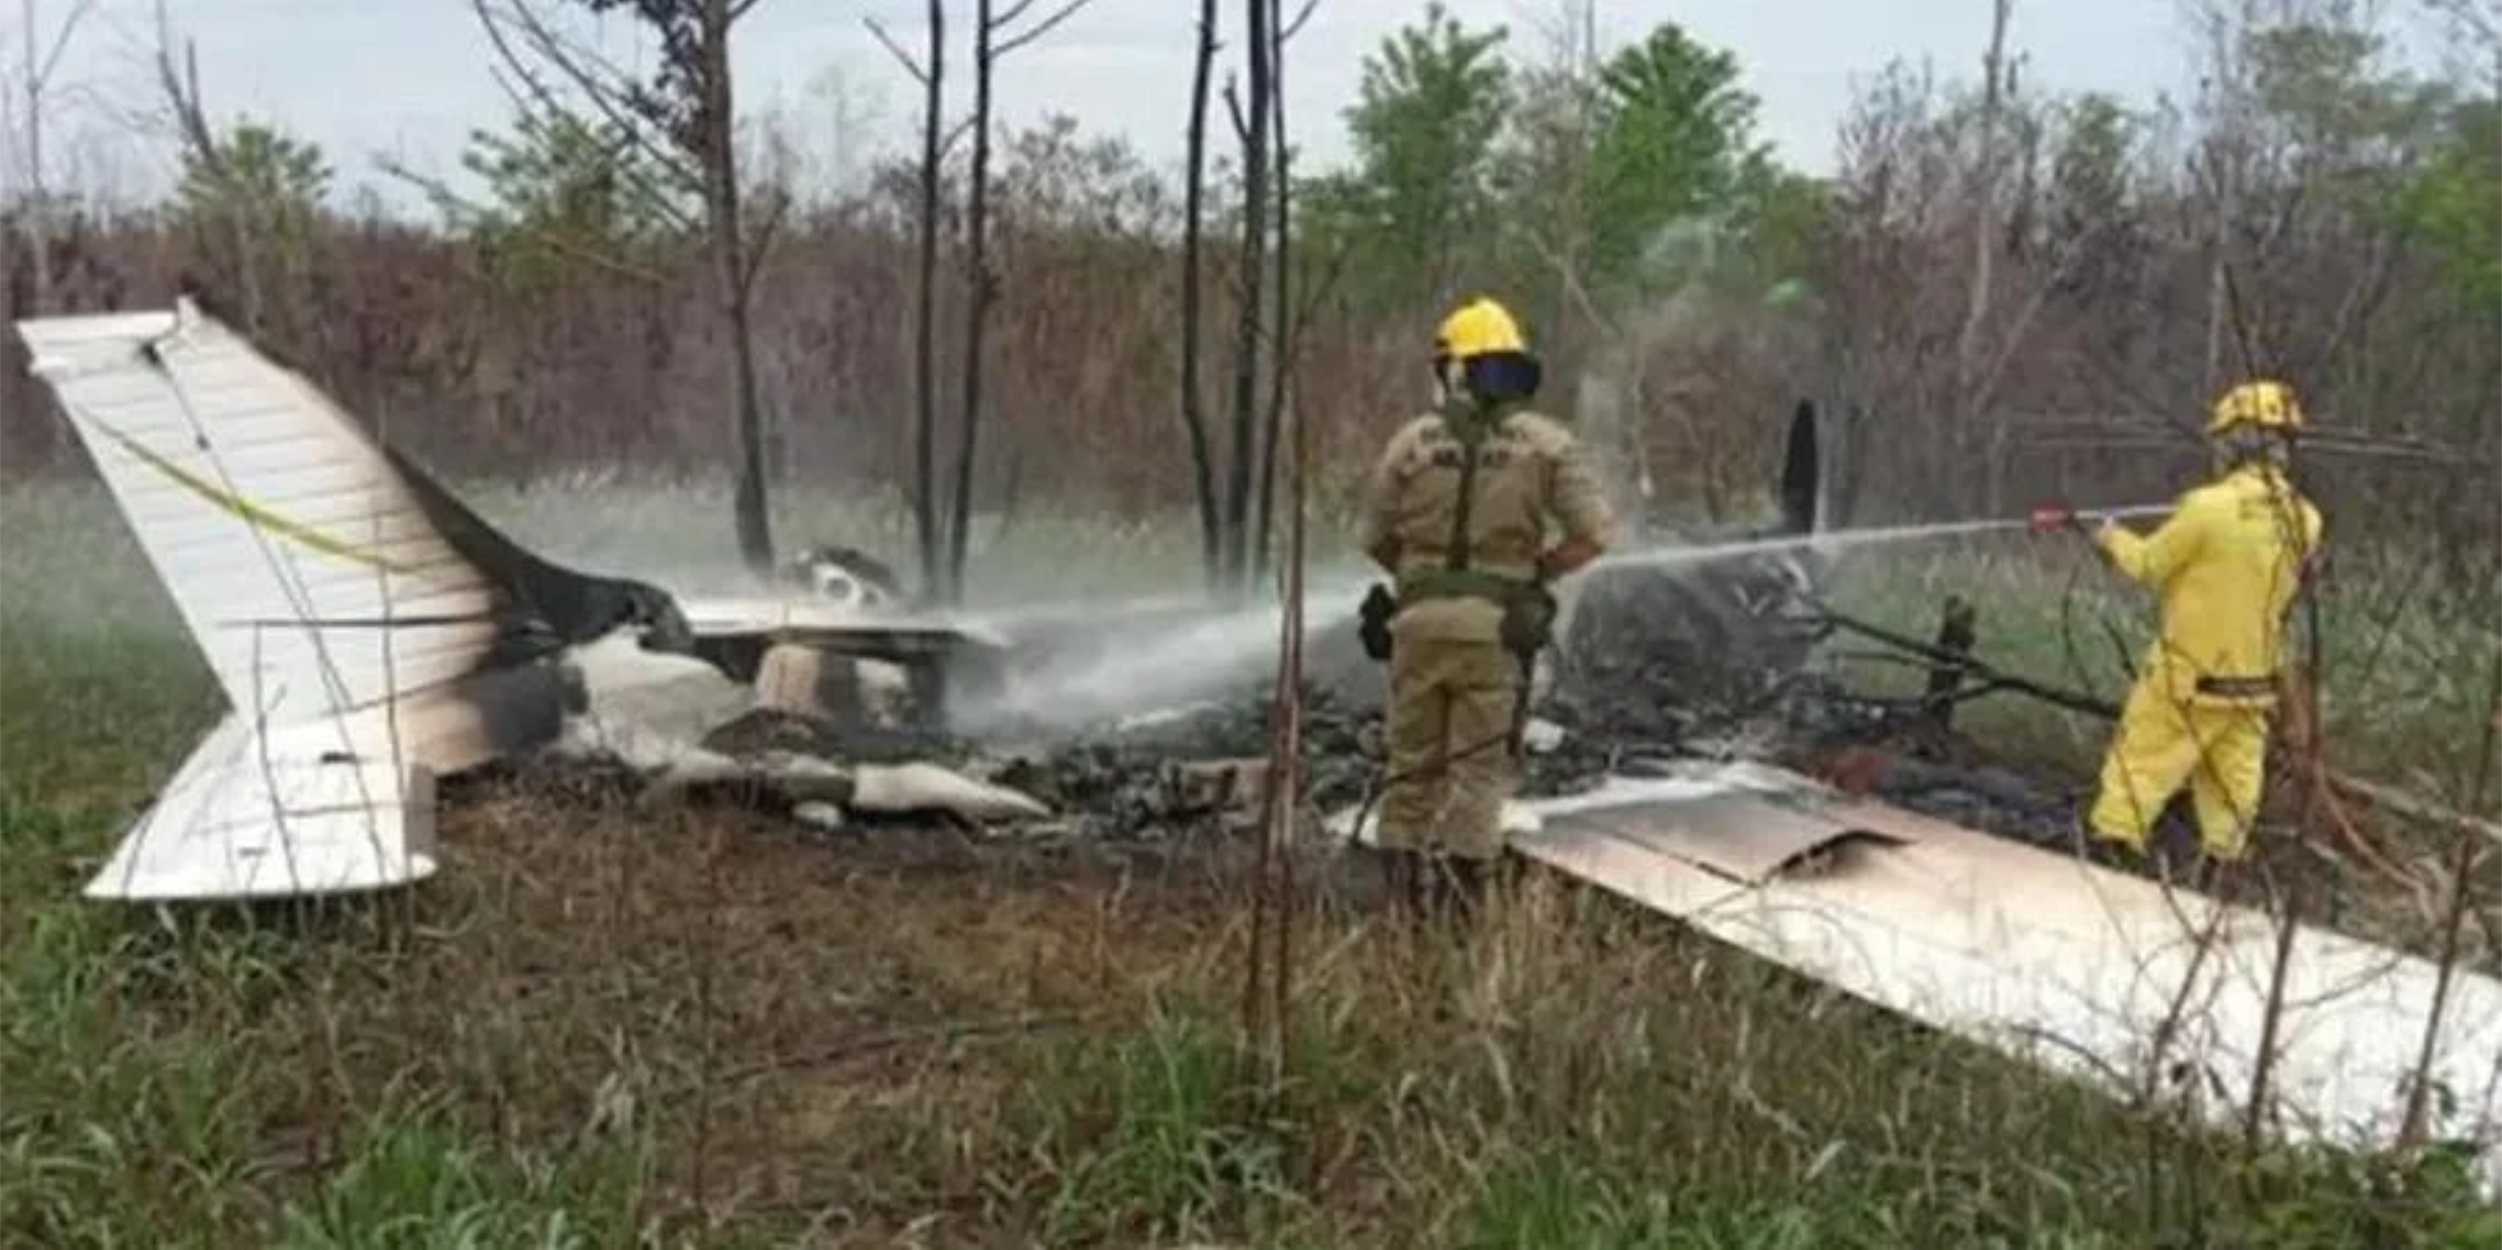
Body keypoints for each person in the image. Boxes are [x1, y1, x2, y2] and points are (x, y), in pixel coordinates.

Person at [1357, 296, 1618, 917]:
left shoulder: (1411, 443)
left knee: (1410, 770)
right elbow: (1594, 535)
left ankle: (1399, 917)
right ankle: (1461, 920)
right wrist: (1533, 574)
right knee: (1478, 774)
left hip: (1417, 631)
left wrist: (1422, 581)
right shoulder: (1547, 445)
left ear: (1454, 369)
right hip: (1494, 634)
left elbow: (1373, 537)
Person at [2074, 379, 2324, 865]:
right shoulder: (2306, 521)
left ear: (2235, 442)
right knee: (2232, 799)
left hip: (2188, 679)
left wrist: (2109, 538)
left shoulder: (2206, 508)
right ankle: (2221, 885)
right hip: (2252, 686)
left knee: (2138, 774)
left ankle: (2110, 860)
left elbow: (2148, 564)